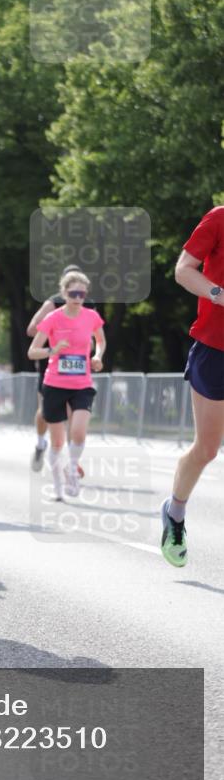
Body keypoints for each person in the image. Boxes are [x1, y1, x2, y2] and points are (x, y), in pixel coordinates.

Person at [161, 205, 224, 567]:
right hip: (215, 349)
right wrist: (219, 294)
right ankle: (175, 513)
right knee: (207, 449)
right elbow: (184, 270)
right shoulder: (218, 218)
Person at [28, 270, 105, 501]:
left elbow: (100, 340)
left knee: (79, 432)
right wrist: (53, 350)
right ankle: (58, 487)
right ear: (63, 292)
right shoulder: (53, 318)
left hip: (82, 383)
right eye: (73, 292)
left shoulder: (91, 316)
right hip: (54, 383)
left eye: (82, 293)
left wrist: (98, 356)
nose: (78, 297)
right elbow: (32, 352)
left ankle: (72, 468)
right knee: (58, 441)